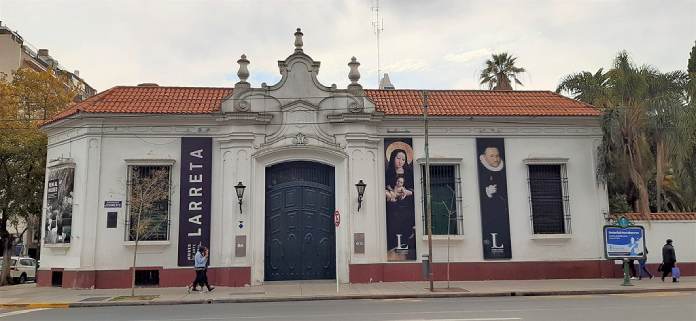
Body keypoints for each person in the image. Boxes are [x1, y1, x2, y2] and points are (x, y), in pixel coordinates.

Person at [384, 144, 416, 261]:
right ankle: (393, 246)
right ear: (392, 158)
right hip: (392, 205)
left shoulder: (409, 173)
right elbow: (386, 187)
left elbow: (414, 189)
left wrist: (407, 192)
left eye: (403, 159)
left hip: (406, 205)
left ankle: (404, 245)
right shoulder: (388, 173)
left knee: (405, 223)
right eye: (398, 158)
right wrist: (389, 193)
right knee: (392, 221)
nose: (400, 161)